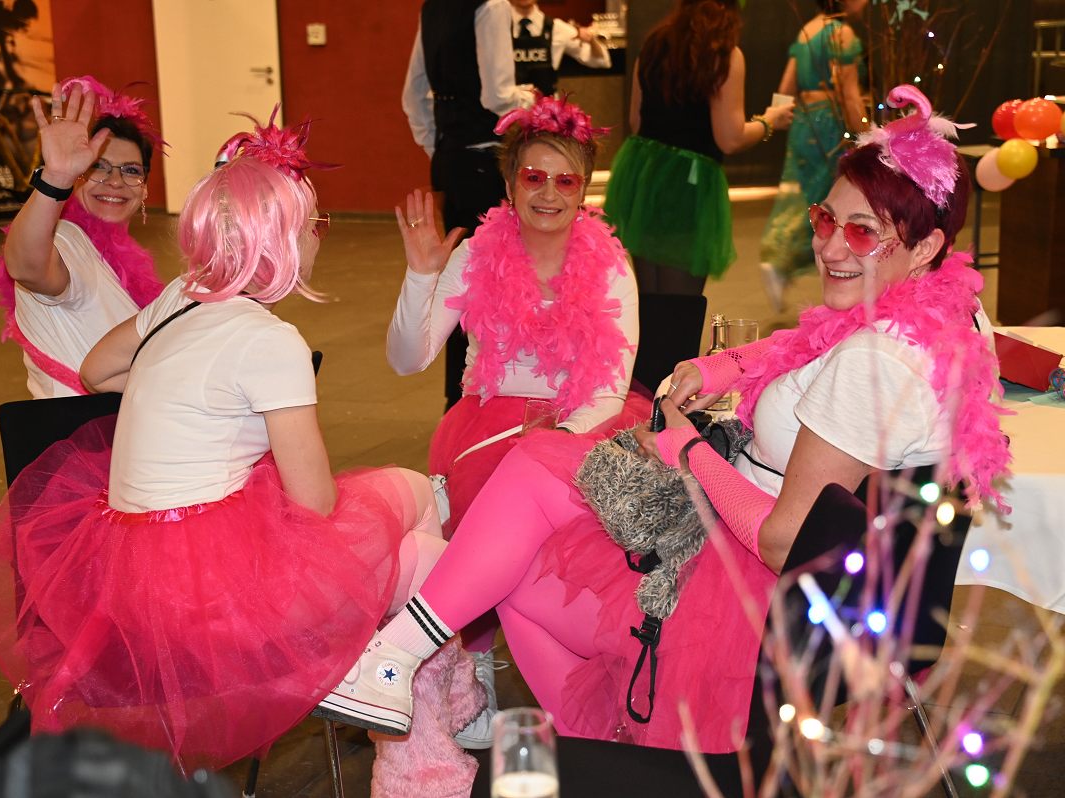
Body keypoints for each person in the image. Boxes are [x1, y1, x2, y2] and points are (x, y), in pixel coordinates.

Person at [315, 85, 1010, 755]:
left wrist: (687, 452)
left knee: (517, 558)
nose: (830, 247)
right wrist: (726, 365)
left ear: (923, 249)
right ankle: (415, 666)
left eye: (862, 232)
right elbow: (808, 340)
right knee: (530, 482)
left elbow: (782, 541)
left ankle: (578, 740)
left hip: (754, 599)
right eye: (825, 220)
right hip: (794, 571)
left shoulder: (876, 365)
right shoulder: (938, 317)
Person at [0, 113, 450, 770]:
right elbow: (314, 503)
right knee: (419, 505)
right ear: (280, 239)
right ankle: (410, 714)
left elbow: (96, 371)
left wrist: (187, 385)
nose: (319, 237)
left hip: (122, 582)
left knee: (421, 548)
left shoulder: (180, 297)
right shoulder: (270, 341)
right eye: (313, 224)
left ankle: (402, 697)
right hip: (205, 600)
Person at [385, 94, 648, 747]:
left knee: (579, 533)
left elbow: (611, 389)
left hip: (581, 423)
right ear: (509, 183)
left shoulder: (611, 264)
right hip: (488, 425)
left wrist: (555, 444)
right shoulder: (477, 253)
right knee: (483, 501)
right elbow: (408, 359)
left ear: (584, 189)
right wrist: (419, 277)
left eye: (567, 181)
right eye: (534, 176)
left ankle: (591, 672)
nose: (549, 194)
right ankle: (474, 673)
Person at [0, 76, 165, 398]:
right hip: (86, 425)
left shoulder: (123, 256)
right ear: (78, 175)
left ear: (145, 187)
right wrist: (55, 179)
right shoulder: (66, 241)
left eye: (131, 170)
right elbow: (26, 267)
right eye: (98, 167)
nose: (115, 181)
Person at [602, 0, 794, 297]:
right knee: (681, 306)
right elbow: (730, 138)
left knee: (649, 300)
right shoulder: (724, 55)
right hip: (688, 186)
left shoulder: (655, 43)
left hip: (644, 177)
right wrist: (769, 121)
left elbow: (636, 122)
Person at [402, 0, 536, 410]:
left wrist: (439, 148)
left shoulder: (434, 6)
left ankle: (458, 398)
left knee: (460, 281)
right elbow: (499, 96)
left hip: (453, 160)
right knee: (494, 282)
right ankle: (488, 394)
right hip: (486, 162)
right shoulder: (492, 5)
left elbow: (412, 96)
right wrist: (532, 99)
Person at [760, 0, 868, 311]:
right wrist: (866, 136)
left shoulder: (807, 29)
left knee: (806, 195)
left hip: (803, 123)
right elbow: (849, 95)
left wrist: (776, 120)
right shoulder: (842, 34)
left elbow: (785, 87)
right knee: (829, 200)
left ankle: (779, 258)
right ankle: (784, 261)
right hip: (828, 125)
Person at [508, 0, 612, 98]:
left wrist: (591, 40)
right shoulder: (500, 27)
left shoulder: (557, 28)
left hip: (547, 106)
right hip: (508, 106)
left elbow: (601, 61)